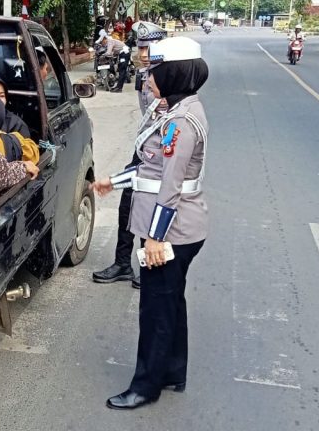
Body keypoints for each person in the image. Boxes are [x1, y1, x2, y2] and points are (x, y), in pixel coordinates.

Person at [99, 36, 210, 411]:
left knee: (155, 309)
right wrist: (111, 182)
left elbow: (170, 187)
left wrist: (154, 239)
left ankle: (146, 385)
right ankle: (173, 371)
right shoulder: (176, 110)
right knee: (171, 302)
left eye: (153, 72)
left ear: (173, 73)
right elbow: (148, 169)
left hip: (170, 231)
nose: (146, 80)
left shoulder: (181, 123)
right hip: (177, 228)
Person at [91, 27, 165, 286]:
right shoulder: (144, 75)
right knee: (127, 206)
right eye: (141, 48)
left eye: (149, 49)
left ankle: (150, 267)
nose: (143, 54)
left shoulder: (169, 79)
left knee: (150, 209)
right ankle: (123, 264)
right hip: (143, 146)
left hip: (161, 154)